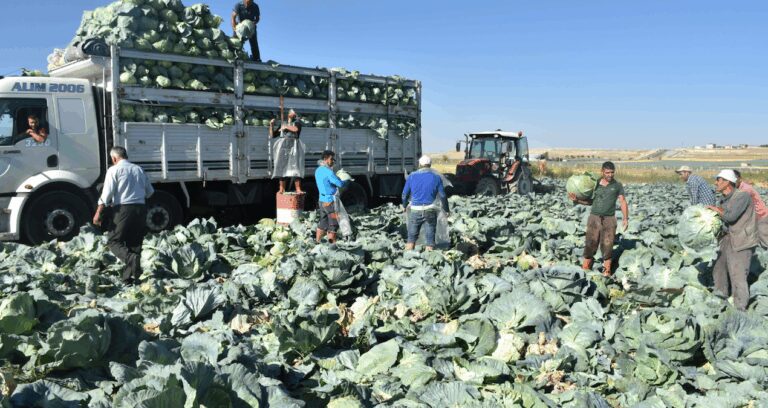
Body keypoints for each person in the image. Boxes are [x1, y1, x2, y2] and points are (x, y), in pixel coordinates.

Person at [93, 146, 154, 284]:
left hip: (123, 209)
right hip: (140, 208)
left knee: (113, 241)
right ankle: (130, 278)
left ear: (114, 158)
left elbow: (106, 195)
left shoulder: (114, 170)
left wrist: (98, 213)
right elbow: (150, 192)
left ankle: (131, 261)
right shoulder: (139, 169)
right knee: (135, 242)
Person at [706, 169, 758, 310]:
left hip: (742, 240)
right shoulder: (723, 198)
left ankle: (740, 308)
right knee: (718, 270)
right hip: (726, 239)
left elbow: (730, 217)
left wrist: (716, 210)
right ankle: (720, 301)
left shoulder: (742, 196)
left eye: (719, 180)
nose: (716, 183)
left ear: (728, 182)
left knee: (738, 275)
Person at [569, 161, 629, 276]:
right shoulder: (596, 184)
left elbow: (622, 201)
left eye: (612, 172)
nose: (610, 175)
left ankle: (607, 271)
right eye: (607, 172)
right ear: (602, 172)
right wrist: (577, 200)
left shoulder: (617, 186)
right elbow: (591, 201)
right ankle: (586, 268)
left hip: (609, 219)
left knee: (608, 244)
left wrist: (626, 219)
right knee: (590, 243)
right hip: (594, 218)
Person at [402, 155, 450, 251]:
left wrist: (404, 205)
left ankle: (409, 258)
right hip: (430, 210)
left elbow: (404, 194)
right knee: (430, 240)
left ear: (419, 164)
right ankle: (429, 261)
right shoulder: (436, 177)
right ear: (430, 165)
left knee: (411, 239)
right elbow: (443, 196)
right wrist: (446, 209)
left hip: (415, 210)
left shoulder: (412, 176)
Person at [315, 150, 348, 244]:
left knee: (323, 223)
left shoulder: (318, 170)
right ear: (325, 159)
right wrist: (346, 179)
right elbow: (340, 184)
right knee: (333, 224)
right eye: (331, 159)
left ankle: (317, 242)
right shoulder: (328, 172)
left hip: (321, 201)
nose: (333, 161)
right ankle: (332, 245)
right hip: (330, 202)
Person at [269, 109, 305, 194]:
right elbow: (273, 135)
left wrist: (286, 127)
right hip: (283, 148)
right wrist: (271, 125)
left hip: (294, 148)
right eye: (292, 112)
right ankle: (281, 189)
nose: (294, 114)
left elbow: (295, 129)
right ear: (288, 114)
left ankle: (298, 188)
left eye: (294, 113)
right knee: (282, 167)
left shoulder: (297, 122)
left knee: (296, 167)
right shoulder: (282, 124)